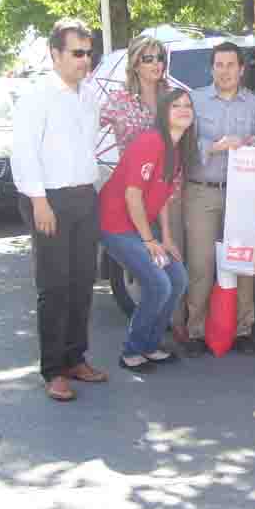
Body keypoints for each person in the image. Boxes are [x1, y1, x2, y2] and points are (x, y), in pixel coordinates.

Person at [11, 18, 108, 402]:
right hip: (47, 199)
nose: (85, 60)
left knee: (83, 282)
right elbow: (24, 153)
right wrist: (39, 202)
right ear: (55, 54)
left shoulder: (89, 96)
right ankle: (53, 370)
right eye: (77, 53)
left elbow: (87, 149)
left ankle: (74, 358)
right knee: (54, 286)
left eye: (88, 53)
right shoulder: (36, 97)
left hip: (85, 197)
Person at [99, 89, 198, 372]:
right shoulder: (151, 142)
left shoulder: (176, 149)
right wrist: (149, 239)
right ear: (164, 113)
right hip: (115, 225)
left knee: (177, 279)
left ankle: (151, 345)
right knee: (158, 283)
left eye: (188, 105)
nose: (183, 109)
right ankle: (132, 351)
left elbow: (163, 196)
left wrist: (166, 238)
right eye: (176, 105)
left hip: (140, 225)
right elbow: (132, 196)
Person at [100, 34, 187, 341]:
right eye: (147, 58)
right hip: (130, 197)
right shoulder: (118, 99)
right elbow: (85, 127)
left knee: (174, 267)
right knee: (156, 276)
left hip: (163, 195)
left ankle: (163, 330)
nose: (155, 64)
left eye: (159, 58)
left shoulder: (173, 96)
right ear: (135, 64)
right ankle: (141, 341)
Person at [180, 42, 255, 357]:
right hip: (202, 190)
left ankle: (244, 329)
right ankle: (196, 331)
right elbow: (184, 140)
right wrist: (216, 145)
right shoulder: (195, 101)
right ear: (211, 68)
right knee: (201, 264)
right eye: (219, 65)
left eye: (231, 65)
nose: (225, 71)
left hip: (242, 193)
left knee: (242, 262)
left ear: (241, 69)